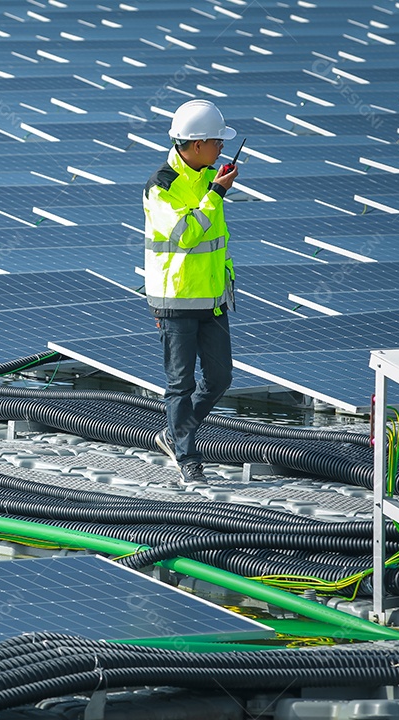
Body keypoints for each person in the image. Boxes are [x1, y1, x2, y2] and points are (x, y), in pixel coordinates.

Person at [142, 99, 238, 484]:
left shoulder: (208, 176)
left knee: (219, 379)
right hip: (177, 301)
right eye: (216, 141)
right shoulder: (161, 187)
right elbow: (185, 236)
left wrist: (227, 284)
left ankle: (174, 432)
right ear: (196, 144)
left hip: (213, 300)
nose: (221, 149)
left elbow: (218, 241)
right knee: (179, 384)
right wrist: (215, 194)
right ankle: (187, 458)